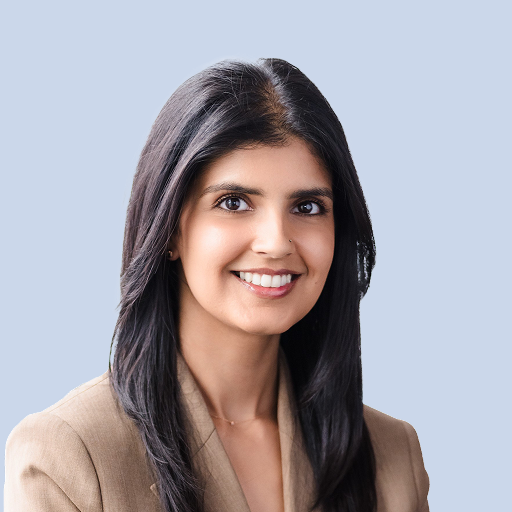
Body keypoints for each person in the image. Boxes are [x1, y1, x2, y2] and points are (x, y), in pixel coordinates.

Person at [4, 58, 429, 512]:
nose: (275, 243)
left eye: (307, 207)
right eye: (234, 202)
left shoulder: (391, 453)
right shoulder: (70, 454)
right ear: (170, 229)